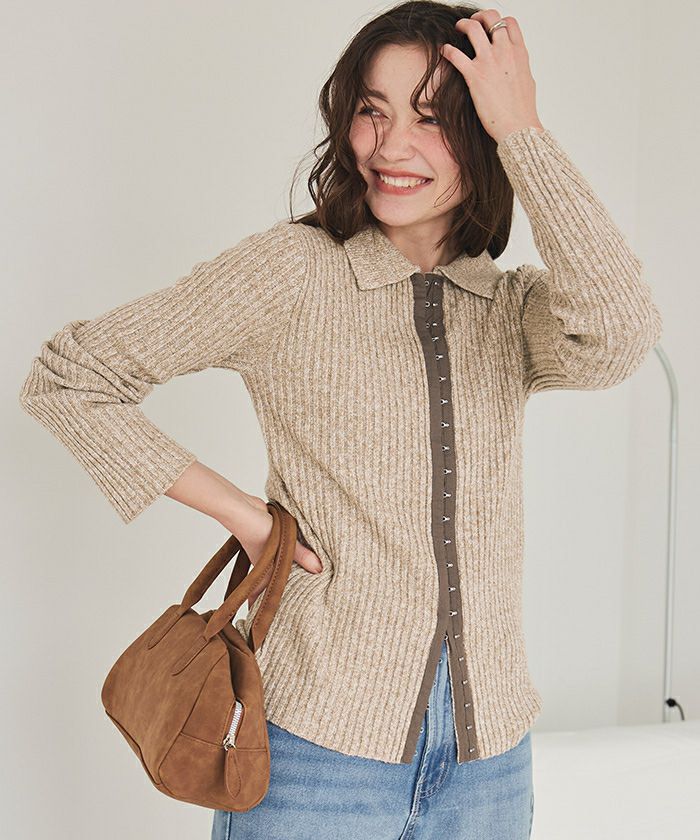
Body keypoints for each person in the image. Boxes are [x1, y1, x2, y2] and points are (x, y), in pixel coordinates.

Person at [18, 3, 663, 839]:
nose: (390, 146)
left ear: (483, 136)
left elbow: (620, 333)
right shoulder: (293, 272)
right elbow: (70, 376)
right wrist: (247, 518)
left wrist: (524, 130)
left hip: (489, 763)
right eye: (372, 110)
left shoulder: (511, 308)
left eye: (432, 118)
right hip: (317, 754)